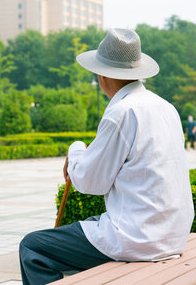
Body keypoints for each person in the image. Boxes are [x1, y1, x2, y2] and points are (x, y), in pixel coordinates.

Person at [19, 28, 194, 285]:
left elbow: (90, 183)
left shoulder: (122, 112)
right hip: (172, 234)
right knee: (88, 226)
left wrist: (76, 148)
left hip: (139, 238)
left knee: (34, 247)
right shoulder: (166, 107)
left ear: (102, 75)